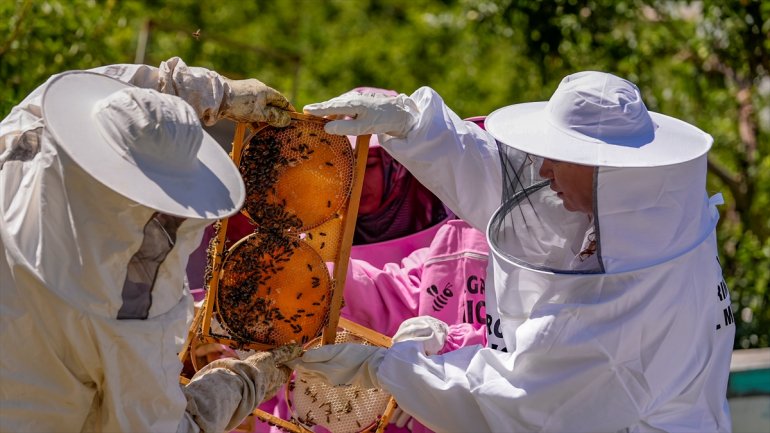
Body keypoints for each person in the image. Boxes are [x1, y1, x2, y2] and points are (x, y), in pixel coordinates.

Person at [290, 71, 735, 432]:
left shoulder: (623, 317)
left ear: (605, 170)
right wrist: (412, 123)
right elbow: (508, 190)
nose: (542, 169)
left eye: (559, 156)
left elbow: (515, 403)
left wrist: (388, 369)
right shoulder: (645, 212)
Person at [0, 57, 303, 433]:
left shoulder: (20, 143)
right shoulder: (124, 313)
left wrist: (215, 93)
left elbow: (85, 87)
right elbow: (156, 428)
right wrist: (239, 384)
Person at [246, 88, 490, 433]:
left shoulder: (462, 236)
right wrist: (297, 273)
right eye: (338, 166)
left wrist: (432, 366)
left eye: (368, 163)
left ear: (397, 166)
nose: (353, 178)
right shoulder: (319, 235)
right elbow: (387, 290)